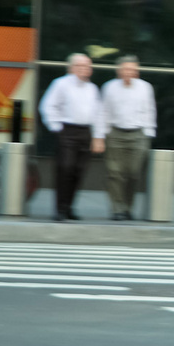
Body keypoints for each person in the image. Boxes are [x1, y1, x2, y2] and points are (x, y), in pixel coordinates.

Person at [39, 53, 105, 222]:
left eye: (88, 66)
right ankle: (60, 209)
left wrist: (98, 137)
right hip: (67, 131)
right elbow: (47, 106)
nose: (86, 69)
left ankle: (69, 207)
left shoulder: (92, 88)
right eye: (82, 66)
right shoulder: (61, 84)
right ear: (72, 68)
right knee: (65, 169)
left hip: (85, 132)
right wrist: (56, 127)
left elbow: (99, 114)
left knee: (79, 171)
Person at [97, 55, 156, 220]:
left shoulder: (145, 87)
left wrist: (148, 134)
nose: (129, 72)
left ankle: (128, 207)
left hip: (138, 134)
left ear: (137, 71)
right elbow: (103, 112)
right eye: (126, 69)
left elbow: (150, 110)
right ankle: (117, 209)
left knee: (133, 173)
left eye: (132, 69)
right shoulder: (109, 87)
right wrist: (99, 136)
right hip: (115, 134)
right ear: (119, 70)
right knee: (114, 173)